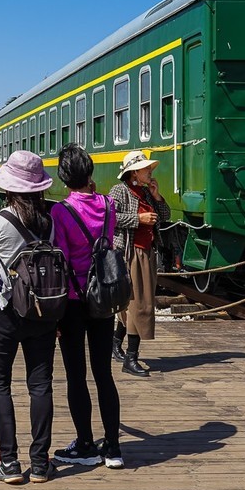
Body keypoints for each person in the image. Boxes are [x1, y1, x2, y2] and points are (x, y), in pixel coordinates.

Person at [0, 150, 58, 484]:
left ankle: (8, 462)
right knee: (40, 384)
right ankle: (41, 463)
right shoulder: (51, 221)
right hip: (43, 311)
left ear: (8, 188)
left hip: (3, 309)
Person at [50, 144, 124, 470]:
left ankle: (85, 444)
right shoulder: (109, 206)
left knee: (76, 376)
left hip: (72, 301)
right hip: (103, 299)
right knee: (104, 374)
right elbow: (104, 246)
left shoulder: (61, 212)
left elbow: (62, 261)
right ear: (90, 172)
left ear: (63, 177)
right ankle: (113, 447)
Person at [109, 150, 170, 378]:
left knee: (132, 303)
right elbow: (111, 218)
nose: (150, 172)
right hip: (129, 253)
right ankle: (131, 358)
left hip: (146, 252)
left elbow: (165, 215)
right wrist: (138, 219)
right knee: (138, 305)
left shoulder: (145, 191)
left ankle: (116, 344)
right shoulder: (120, 191)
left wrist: (157, 195)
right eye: (146, 169)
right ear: (134, 172)